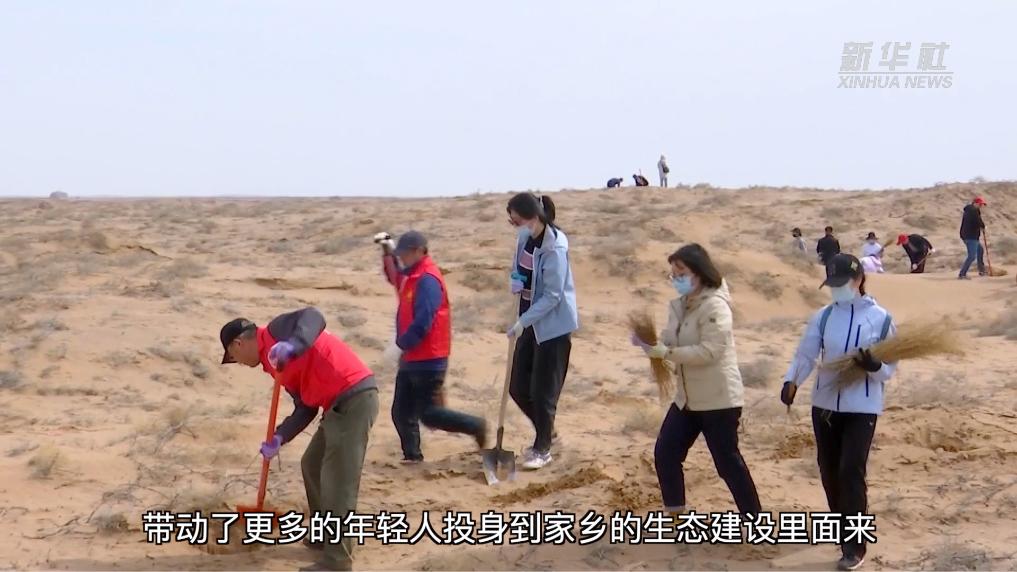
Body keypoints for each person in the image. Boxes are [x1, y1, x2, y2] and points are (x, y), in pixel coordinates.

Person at [219, 308, 378, 571]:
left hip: (354, 397)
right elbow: (305, 408)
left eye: (234, 357)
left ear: (238, 344)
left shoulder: (277, 331)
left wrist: (293, 345)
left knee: (338, 481)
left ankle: (337, 561)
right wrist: (279, 437)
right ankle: (323, 534)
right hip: (335, 407)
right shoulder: (274, 365)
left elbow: (314, 317)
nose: (240, 363)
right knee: (312, 465)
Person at [780, 254, 898, 571]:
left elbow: (889, 370)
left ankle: (855, 546)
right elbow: (805, 355)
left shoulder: (882, 319)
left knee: (851, 471)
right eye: (831, 284)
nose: (836, 289)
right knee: (829, 470)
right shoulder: (823, 317)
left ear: (858, 280)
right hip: (825, 406)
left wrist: (874, 366)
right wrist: (791, 381)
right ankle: (841, 529)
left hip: (862, 407)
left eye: (841, 283)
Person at [632, 244, 762, 517]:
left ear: (699, 272)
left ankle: (752, 518)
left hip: (718, 400)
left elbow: (709, 351)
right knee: (666, 453)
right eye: (673, 274)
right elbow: (670, 339)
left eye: (681, 273)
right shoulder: (679, 306)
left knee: (727, 463)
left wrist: (666, 353)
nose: (676, 279)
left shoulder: (716, 306)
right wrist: (650, 344)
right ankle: (675, 514)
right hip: (687, 400)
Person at [375, 231, 487, 463]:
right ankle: (412, 458)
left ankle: (476, 426)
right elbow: (395, 276)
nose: (402, 258)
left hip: (429, 358)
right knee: (401, 413)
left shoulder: (427, 279)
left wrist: (400, 345)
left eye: (405, 253)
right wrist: (387, 252)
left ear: (419, 251)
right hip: (411, 357)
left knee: (429, 414)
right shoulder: (411, 275)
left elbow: (424, 321)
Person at [505, 192, 579, 470]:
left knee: (542, 392)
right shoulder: (524, 238)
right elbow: (520, 267)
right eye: (512, 222)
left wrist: (523, 321)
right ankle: (547, 431)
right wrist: (516, 279)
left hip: (552, 328)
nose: (515, 227)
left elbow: (552, 296)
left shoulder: (554, 248)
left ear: (533, 217)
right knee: (517, 387)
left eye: (517, 221)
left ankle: (542, 449)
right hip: (528, 321)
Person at [959, 196, 988, 279]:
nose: (981, 206)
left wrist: (982, 226)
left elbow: (977, 221)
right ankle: (962, 274)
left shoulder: (970, 210)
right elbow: (977, 221)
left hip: (969, 235)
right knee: (972, 256)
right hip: (970, 236)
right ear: (975, 203)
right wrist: (983, 226)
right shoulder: (973, 211)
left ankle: (981, 270)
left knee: (980, 250)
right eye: (980, 204)